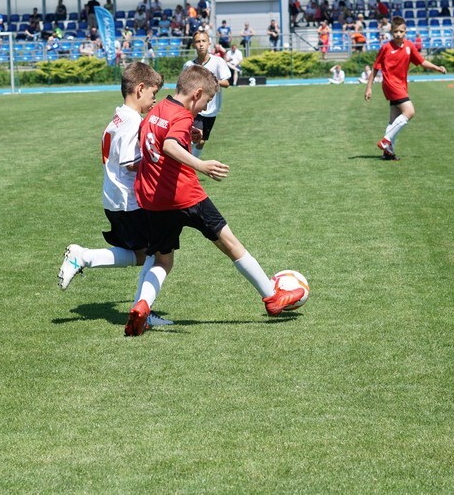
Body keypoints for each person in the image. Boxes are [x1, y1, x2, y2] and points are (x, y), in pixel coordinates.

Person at [124, 65, 306, 335]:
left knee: (162, 261)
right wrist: (200, 164)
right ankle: (272, 297)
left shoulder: (158, 109)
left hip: (153, 198)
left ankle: (142, 305)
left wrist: (188, 136)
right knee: (231, 243)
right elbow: (169, 145)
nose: (205, 108)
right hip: (185, 195)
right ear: (196, 93)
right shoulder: (183, 116)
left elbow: (154, 137)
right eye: (207, 102)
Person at [55, 63, 172, 321]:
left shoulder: (117, 117)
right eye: (153, 93)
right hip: (130, 200)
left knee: (142, 255)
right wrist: (163, 158)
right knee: (159, 255)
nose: (155, 100)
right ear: (140, 89)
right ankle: (141, 310)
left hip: (114, 198)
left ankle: (84, 258)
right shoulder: (132, 121)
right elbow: (130, 162)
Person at [364, 16, 447, 161]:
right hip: (391, 84)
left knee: (393, 119)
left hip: (401, 85)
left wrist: (437, 68)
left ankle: (387, 153)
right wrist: (369, 87)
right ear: (391, 32)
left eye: (401, 31)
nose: (398, 34)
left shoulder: (409, 46)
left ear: (405, 32)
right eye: (395, 31)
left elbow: (421, 61)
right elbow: (375, 68)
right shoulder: (385, 48)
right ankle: (386, 140)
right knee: (410, 111)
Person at [182, 30, 231, 158]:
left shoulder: (218, 62)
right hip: (194, 108)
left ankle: (190, 164)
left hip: (212, 109)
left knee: (202, 141)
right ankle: (187, 167)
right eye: (198, 41)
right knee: (193, 138)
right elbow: (183, 86)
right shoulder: (189, 65)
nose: (201, 44)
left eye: (204, 41)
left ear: (209, 43)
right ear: (193, 45)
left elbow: (226, 83)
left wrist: (211, 81)